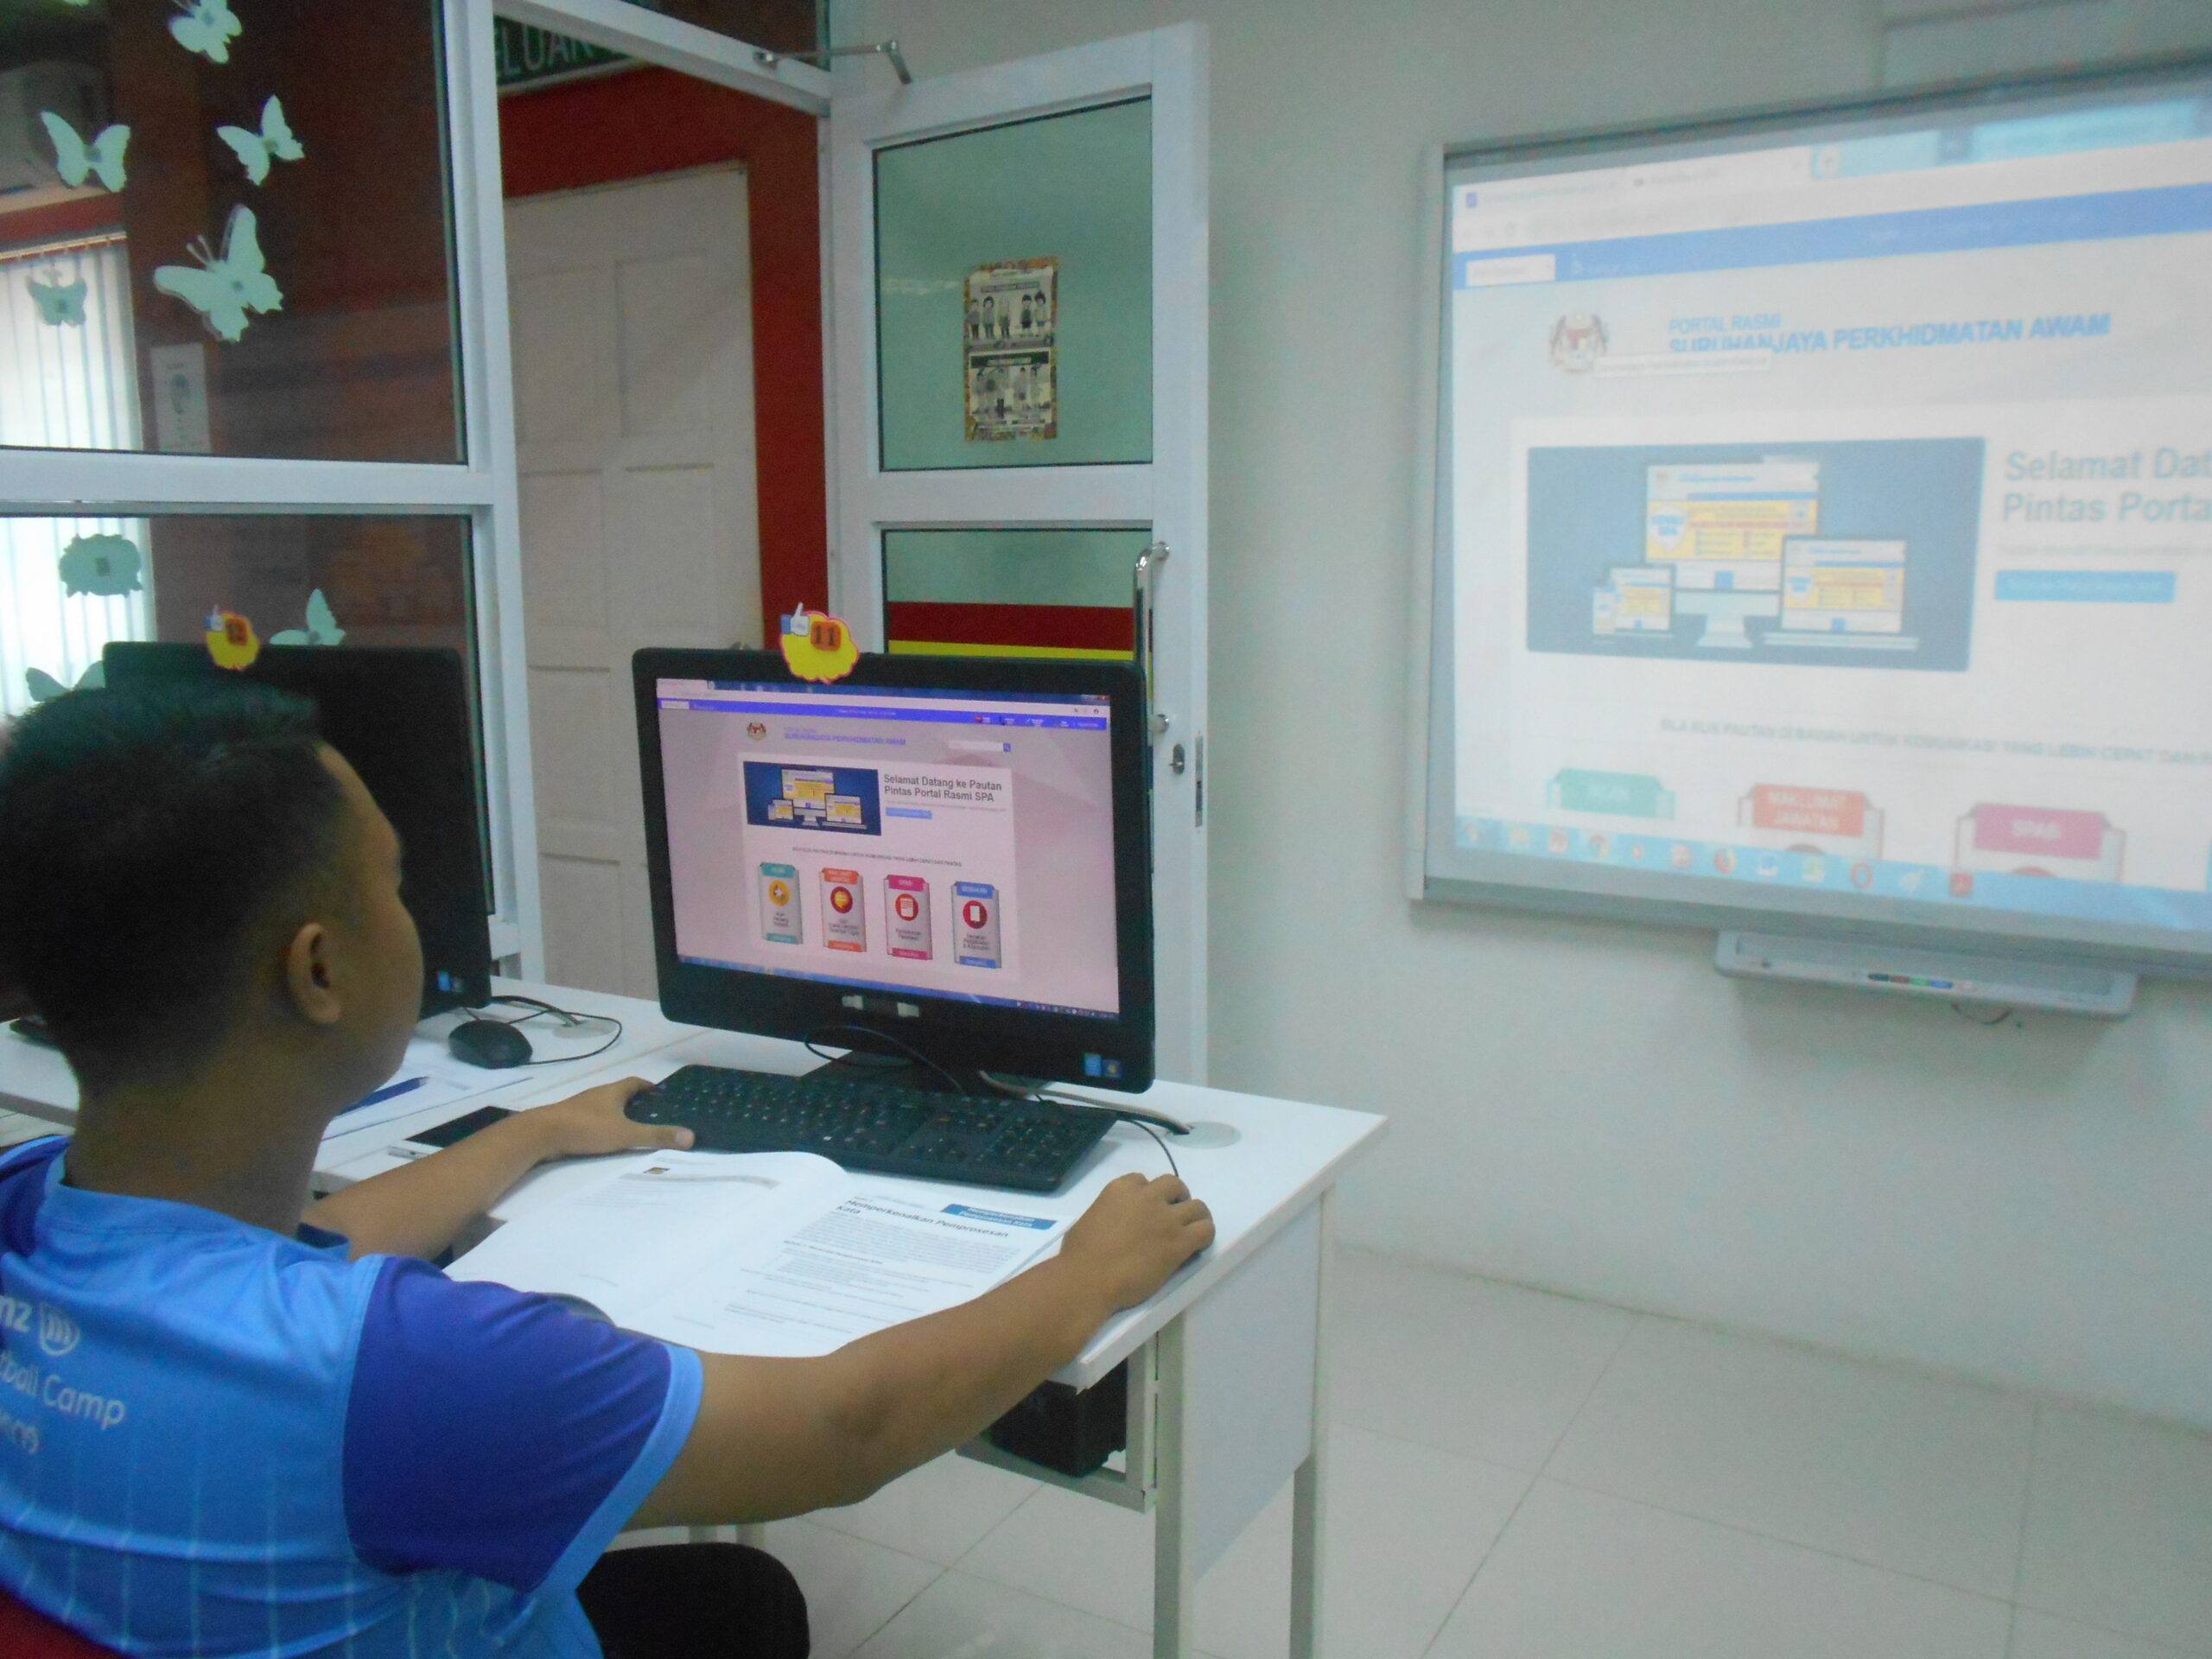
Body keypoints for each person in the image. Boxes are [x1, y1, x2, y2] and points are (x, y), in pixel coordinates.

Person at [0, 681, 1213, 1659]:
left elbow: (287, 1258)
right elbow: (851, 1429)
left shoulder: (30, 1205)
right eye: (394, 884)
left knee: (725, 1595)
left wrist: (525, 1135)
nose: (414, 915)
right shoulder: (404, 1376)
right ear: (319, 972)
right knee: (742, 1604)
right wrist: (1084, 1276)